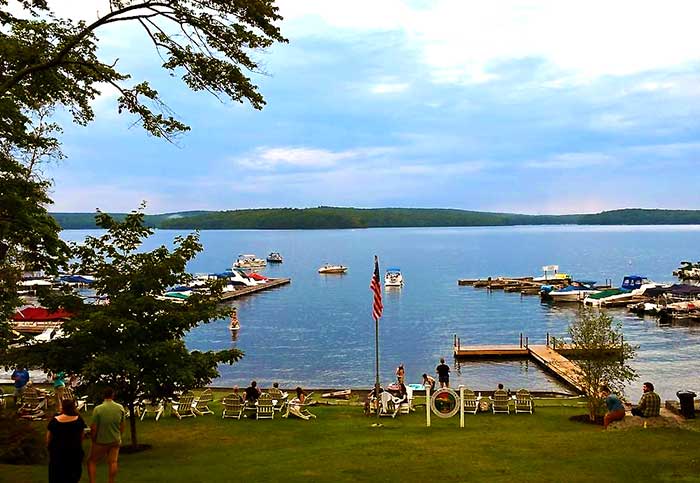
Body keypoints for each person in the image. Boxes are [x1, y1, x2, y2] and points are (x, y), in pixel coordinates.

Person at [88, 387, 125, 483]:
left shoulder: (98, 409)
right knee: (113, 461)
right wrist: (118, 435)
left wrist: (93, 438)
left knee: (92, 461)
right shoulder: (120, 408)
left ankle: (92, 481)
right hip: (115, 439)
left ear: (103, 396)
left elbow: (94, 427)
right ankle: (111, 481)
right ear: (113, 395)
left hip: (101, 440)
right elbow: (122, 425)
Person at [47, 398, 87, 483]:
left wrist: (49, 447)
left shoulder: (55, 421)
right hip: (74, 451)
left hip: (57, 452)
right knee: (72, 475)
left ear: (63, 407)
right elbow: (82, 435)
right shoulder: (79, 420)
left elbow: (49, 436)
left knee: (57, 475)